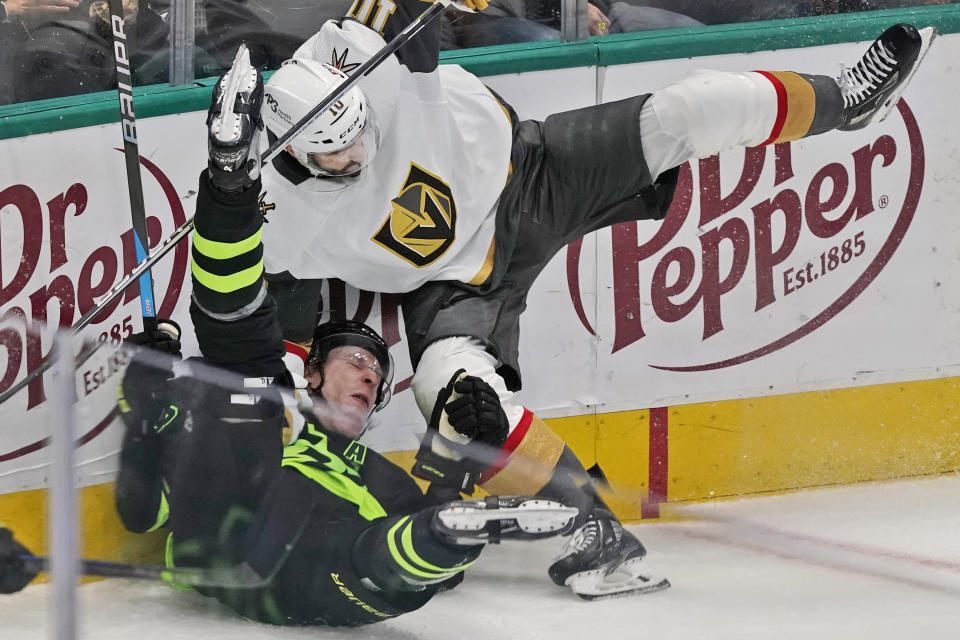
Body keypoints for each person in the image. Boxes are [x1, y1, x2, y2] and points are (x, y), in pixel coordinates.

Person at [212, 1, 935, 598]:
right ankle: (592, 523)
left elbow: (395, 10)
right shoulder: (282, 219)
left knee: (686, 111)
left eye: (359, 132)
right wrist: (280, 412)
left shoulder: (347, 53)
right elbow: (270, 334)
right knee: (456, 397)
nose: (359, 151)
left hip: (534, 167)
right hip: (460, 285)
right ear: (294, 152)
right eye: (337, 155)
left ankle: (850, 100)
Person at [104, 90, 579, 626]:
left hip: (313, 579)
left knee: (382, 559)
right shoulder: (244, 412)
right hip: (229, 541)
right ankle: (230, 183)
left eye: (378, 373)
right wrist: (147, 412)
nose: (370, 376)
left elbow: (445, 578)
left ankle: (446, 532)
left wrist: (476, 454)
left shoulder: (381, 479)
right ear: (311, 371)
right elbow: (144, 514)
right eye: (356, 358)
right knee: (246, 369)